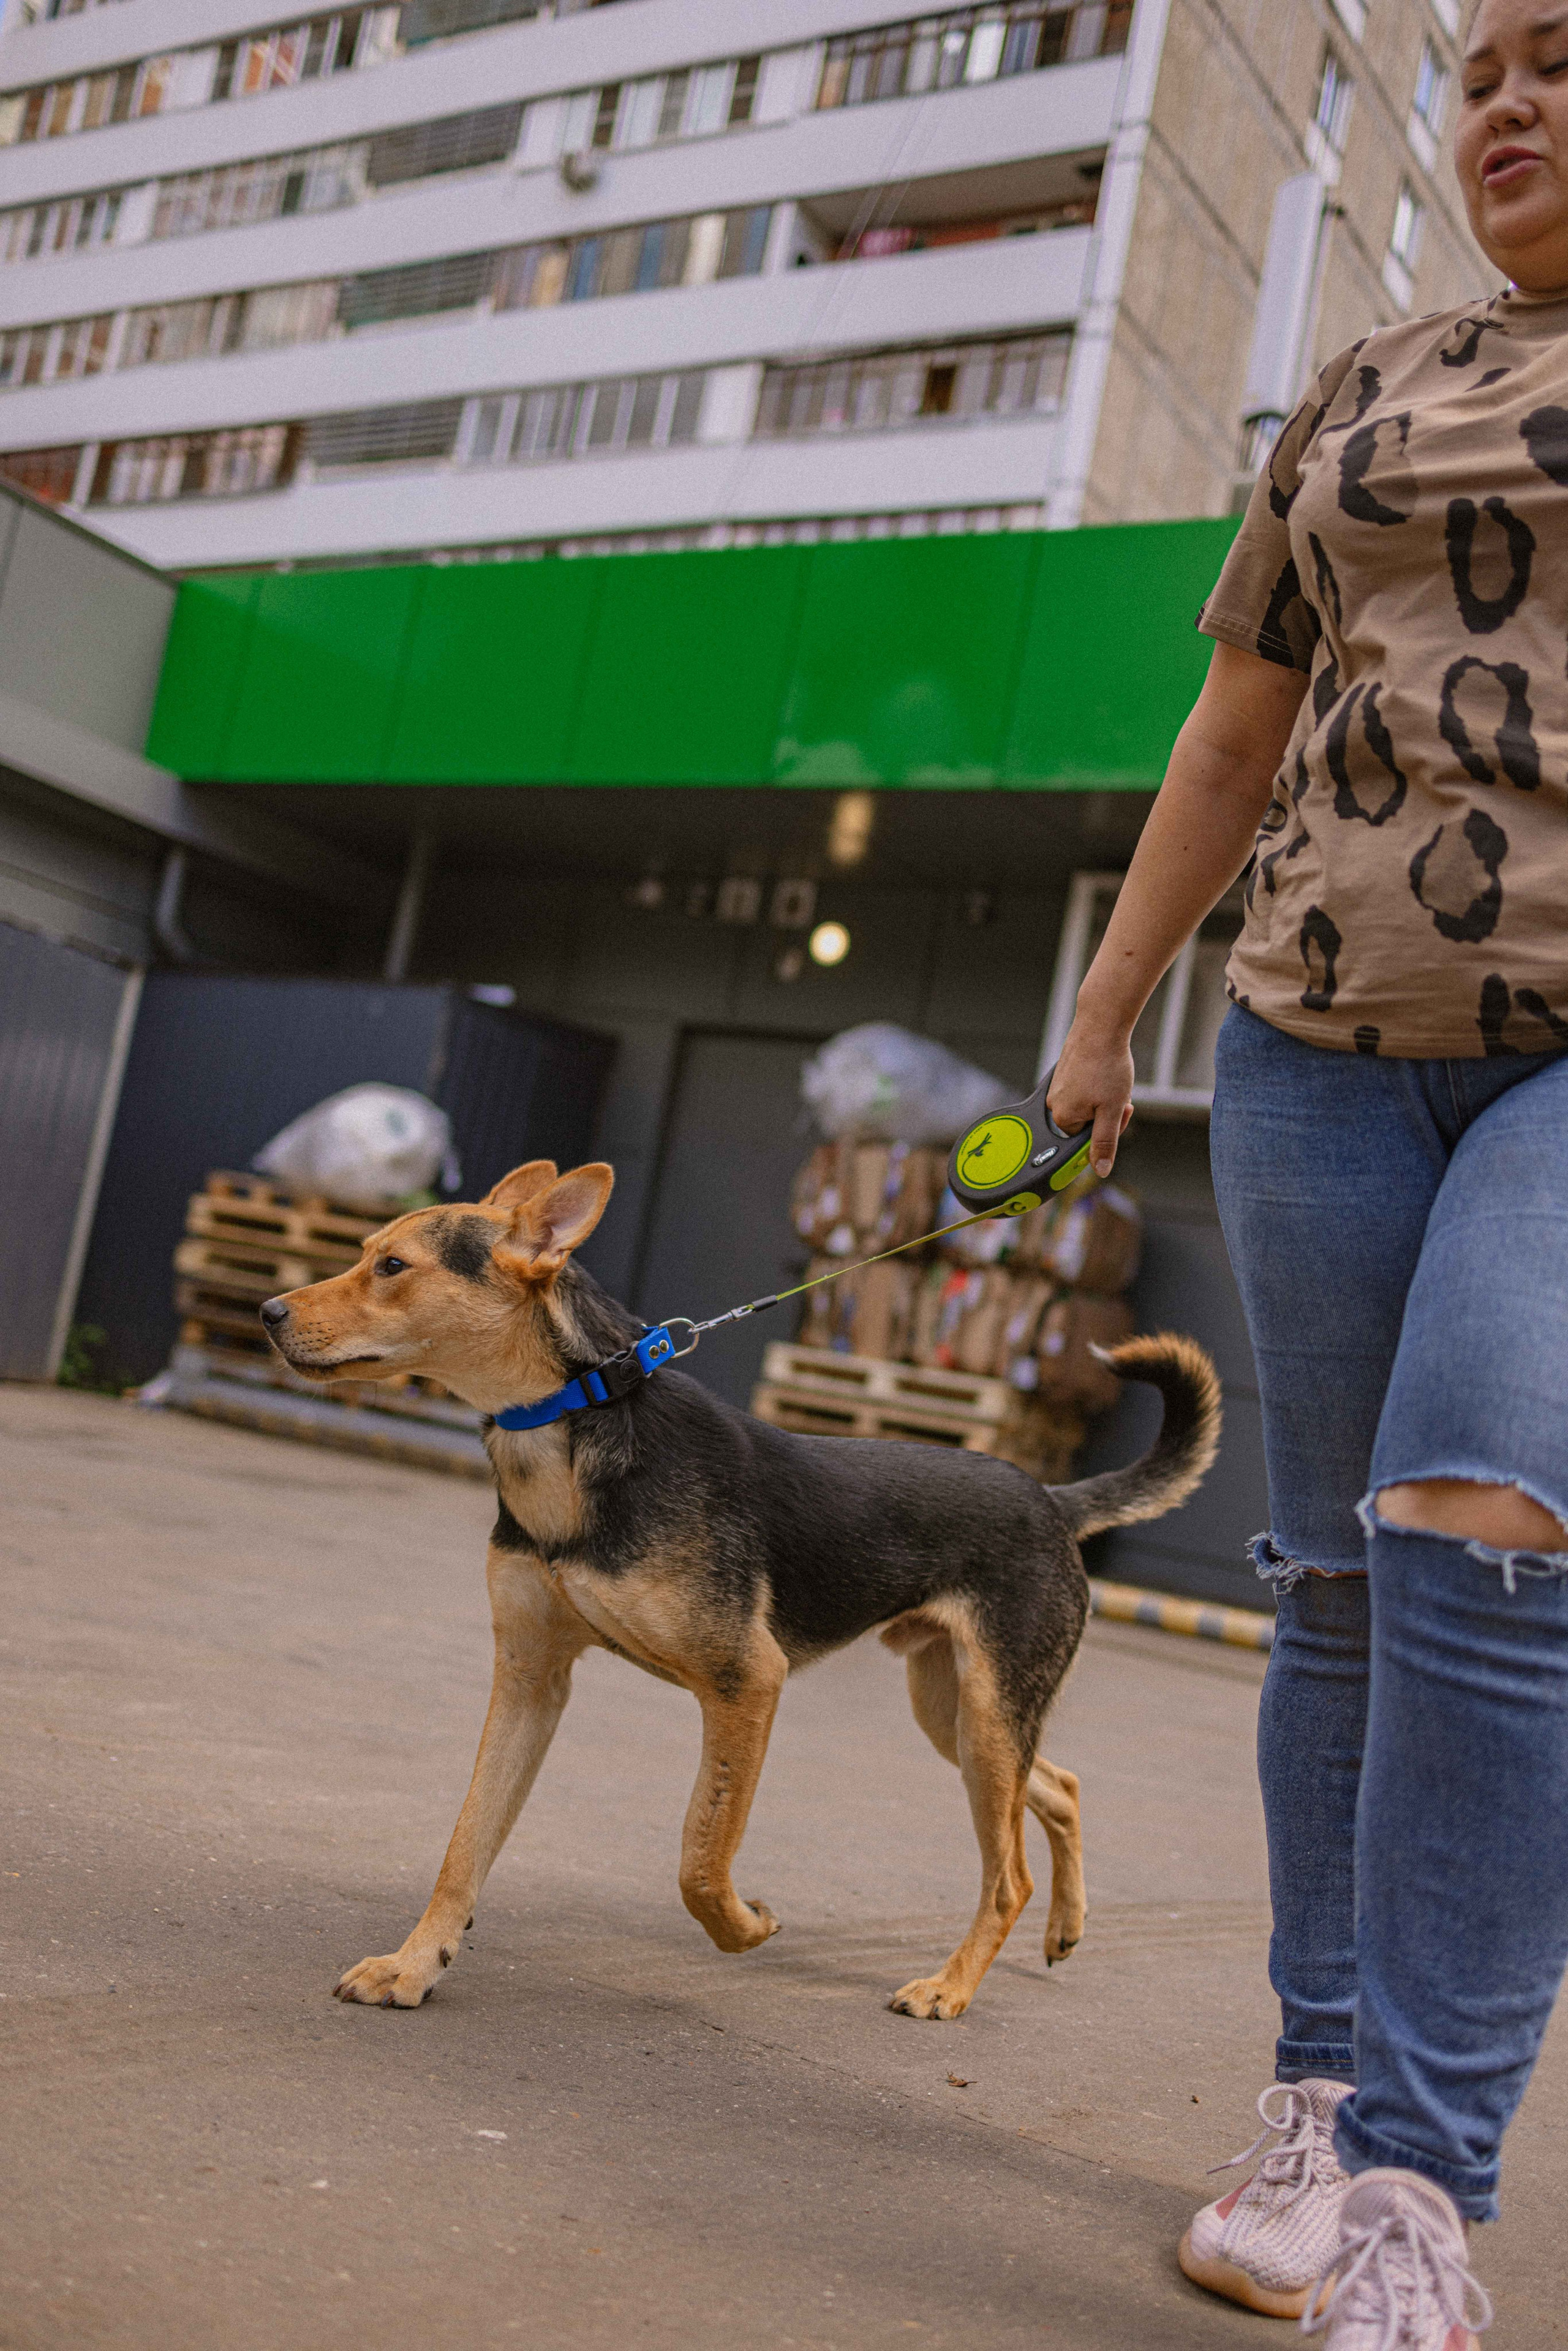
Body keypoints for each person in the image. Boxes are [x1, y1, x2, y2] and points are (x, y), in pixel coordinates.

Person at [1049, 2, 1568, 2341]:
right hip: (1310, 1048)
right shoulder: (1364, 376)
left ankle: (1412, 2195)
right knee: (1332, 1584)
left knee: (1474, 1518)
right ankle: (1317, 2080)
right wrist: (1099, 1008)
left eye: (1563, 54)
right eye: (1480, 71)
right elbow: (1238, 719)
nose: (1511, 101)